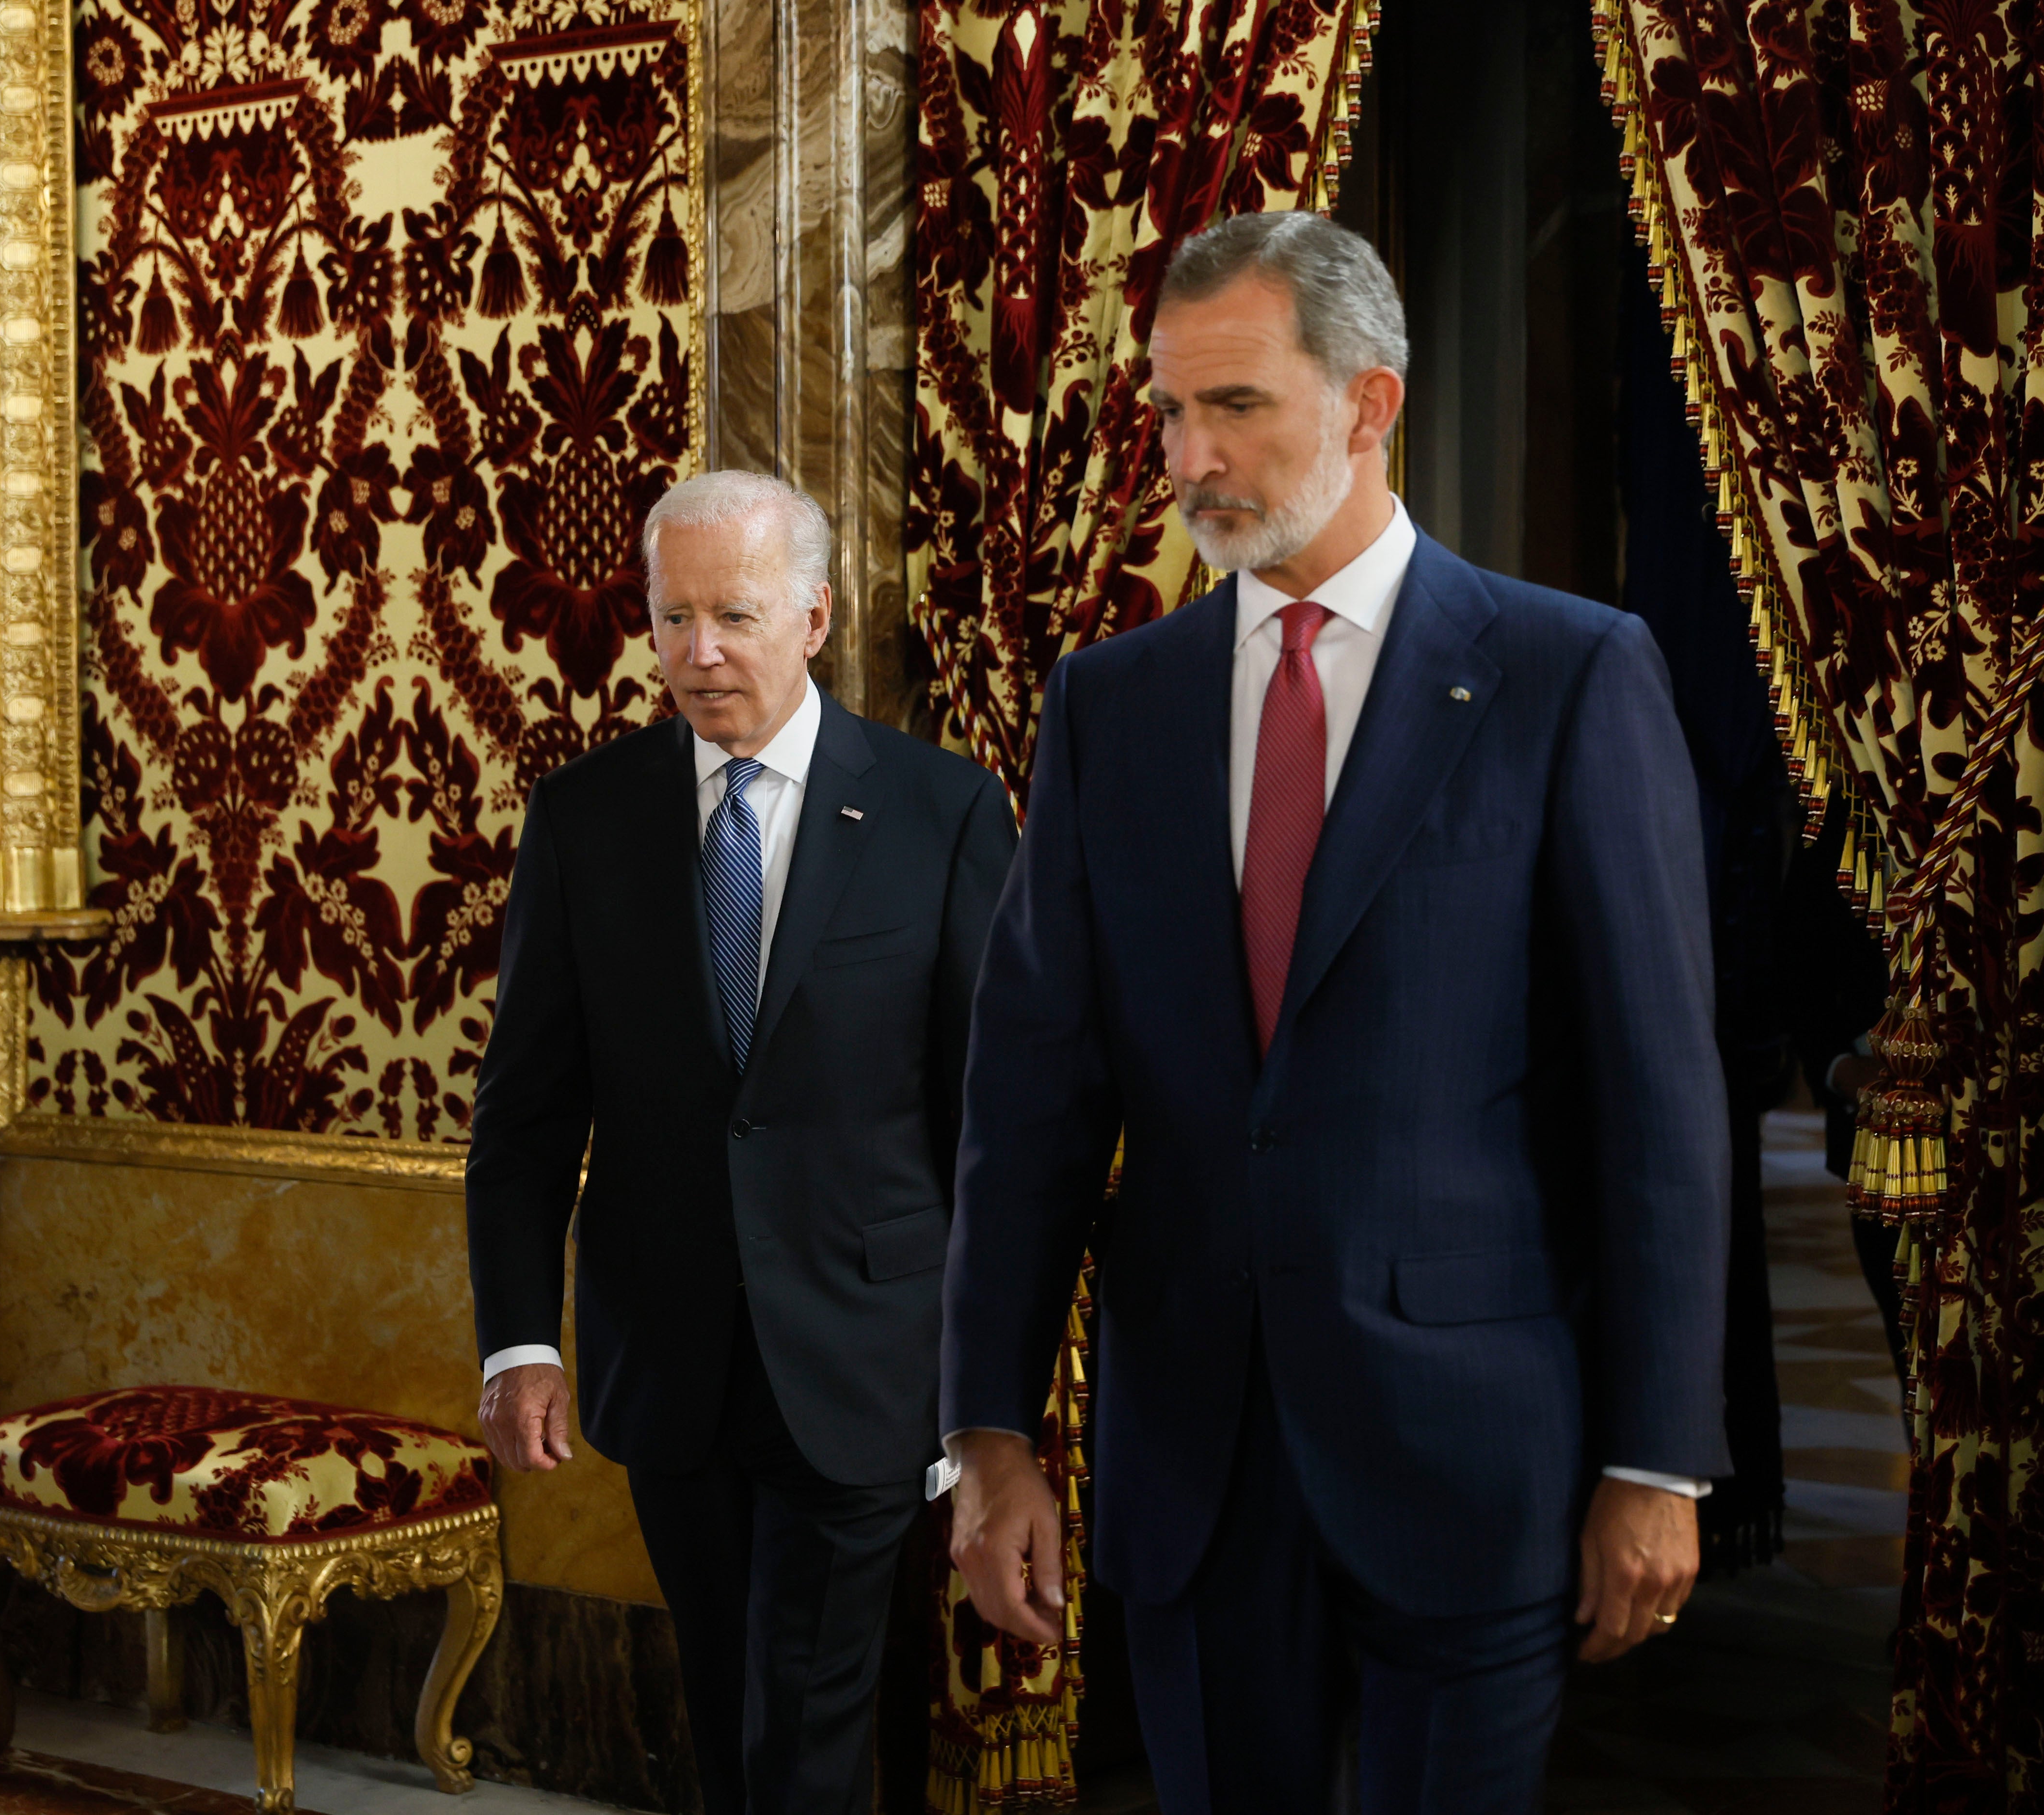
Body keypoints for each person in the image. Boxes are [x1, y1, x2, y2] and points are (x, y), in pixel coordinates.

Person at [940, 210, 1732, 1813]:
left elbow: (1658, 1104)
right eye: (1168, 410)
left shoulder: (1568, 674)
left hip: (1474, 1455)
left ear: (1369, 404)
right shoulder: (1110, 707)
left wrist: (1655, 1458)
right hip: (1195, 1469)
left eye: (1235, 405)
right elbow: (1028, 1104)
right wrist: (987, 1435)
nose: (1186, 454)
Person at [465, 471, 1017, 1815]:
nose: (700, 652)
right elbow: (526, 1117)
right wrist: (520, 1339)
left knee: (807, 1718)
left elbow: (987, 1124)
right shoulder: (586, 819)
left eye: (736, 616)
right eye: (673, 619)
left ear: (814, 617)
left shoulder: (943, 814)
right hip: (669, 1354)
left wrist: (979, 1393)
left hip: (866, 1354)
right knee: (725, 1705)